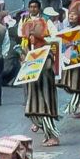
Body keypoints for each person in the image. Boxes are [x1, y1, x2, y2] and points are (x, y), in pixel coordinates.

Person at [20, 17, 61, 146]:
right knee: (34, 112)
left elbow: (48, 65)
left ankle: (53, 136)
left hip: (45, 87)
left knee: (45, 112)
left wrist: (37, 64)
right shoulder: (32, 50)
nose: (30, 38)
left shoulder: (46, 48)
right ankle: (47, 134)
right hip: (35, 88)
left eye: (31, 36)